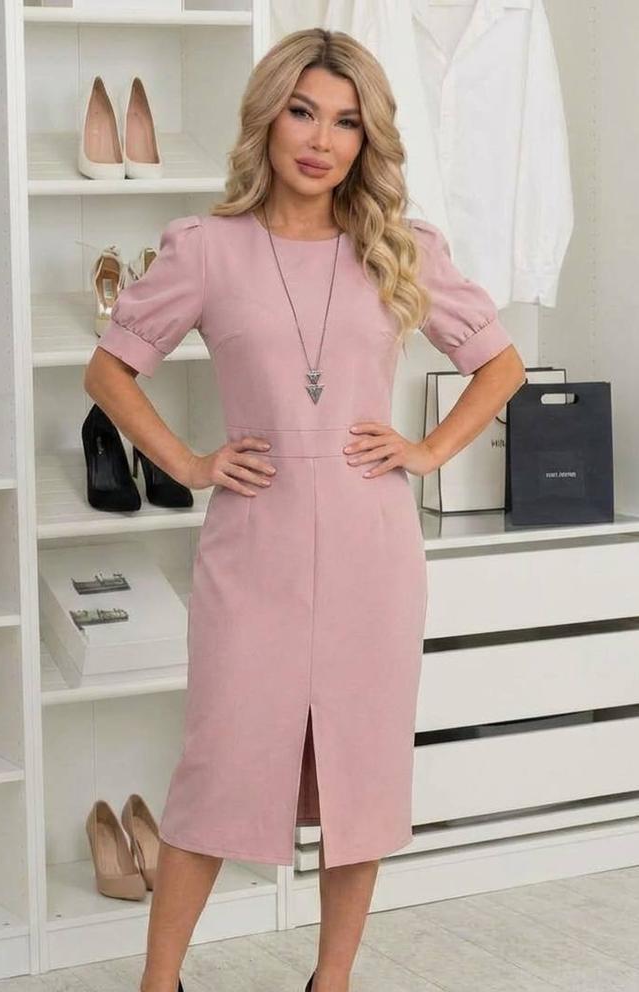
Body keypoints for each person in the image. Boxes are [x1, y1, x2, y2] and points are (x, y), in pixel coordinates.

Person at [84, 27, 526, 992]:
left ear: (367, 140)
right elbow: (109, 371)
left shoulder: (400, 250)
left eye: (346, 122)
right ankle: (159, 985)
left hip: (373, 550)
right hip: (255, 545)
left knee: (359, 785)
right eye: (302, 112)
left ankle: (332, 982)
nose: (321, 140)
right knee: (216, 774)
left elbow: (500, 364)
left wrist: (426, 451)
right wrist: (190, 463)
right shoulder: (207, 250)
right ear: (268, 118)